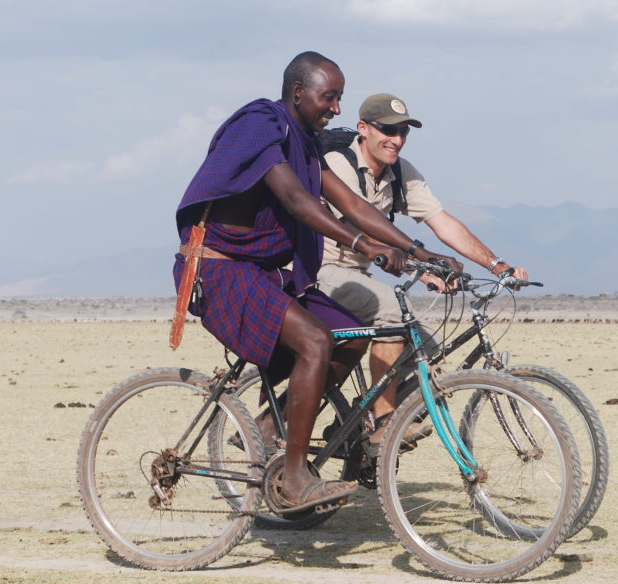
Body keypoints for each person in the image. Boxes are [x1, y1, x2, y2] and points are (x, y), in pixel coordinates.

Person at [173, 54, 460, 514]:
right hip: (222, 268)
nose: (337, 109)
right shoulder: (260, 126)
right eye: (330, 97)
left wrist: (418, 252)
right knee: (314, 340)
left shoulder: (303, 141)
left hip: (266, 273)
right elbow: (297, 200)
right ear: (298, 93)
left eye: (340, 98)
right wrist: (364, 247)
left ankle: (271, 428)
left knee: (350, 334)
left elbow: (350, 204)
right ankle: (294, 477)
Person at [318, 93, 528, 447]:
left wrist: (496, 265)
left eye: (403, 132)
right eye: (387, 130)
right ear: (363, 129)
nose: (396, 140)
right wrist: (423, 264)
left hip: (360, 276)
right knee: (391, 313)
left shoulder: (401, 171)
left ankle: (362, 417)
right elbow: (362, 222)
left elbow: (441, 221)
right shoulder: (338, 163)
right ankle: (382, 424)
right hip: (322, 270)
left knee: (428, 343)